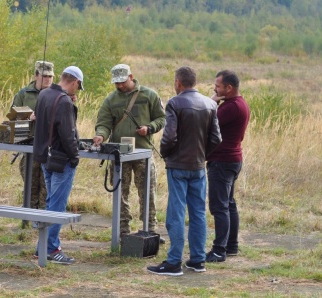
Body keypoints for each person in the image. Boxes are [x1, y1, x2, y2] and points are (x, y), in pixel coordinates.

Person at [147, 66, 221, 276]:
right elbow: (216, 138)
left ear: (178, 82)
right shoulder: (209, 103)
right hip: (198, 166)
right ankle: (197, 260)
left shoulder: (175, 103)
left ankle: (173, 263)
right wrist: (202, 155)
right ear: (194, 82)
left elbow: (169, 137)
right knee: (198, 213)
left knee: (176, 214)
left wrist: (166, 153)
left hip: (178, 166)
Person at [93, 64, 166, 243]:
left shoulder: (149, 95)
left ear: (131, 77)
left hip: (143, 153)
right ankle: (123, 231)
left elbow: (162, 118)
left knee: (147, 192)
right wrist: (101, 135)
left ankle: (149, 230)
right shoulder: (111, 100)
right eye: (116, 83)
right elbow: (103, 122)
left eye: (122, 82)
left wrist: (149, 128)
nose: (119, 86)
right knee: (120, 192)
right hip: (120, 154)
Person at [33, 65, 84, 265]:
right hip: (61, 159)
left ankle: (42, 247)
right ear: (75, 82)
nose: (77, 91)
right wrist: (75, 157)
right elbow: (67, 134)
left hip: (45, 156)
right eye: (78, 87)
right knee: (57, 205)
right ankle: (51, 248)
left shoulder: (44, 94)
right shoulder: (63, 102)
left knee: (50, 202)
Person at [205, 70, 250, 262]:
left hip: (222, 162)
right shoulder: (238, 104)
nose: (215, 88)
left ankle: (219, 250)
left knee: (219, 207)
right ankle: (231, 246)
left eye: (218, 86)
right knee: (229, 204)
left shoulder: (231, 107)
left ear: (229, 88)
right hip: (232, 159)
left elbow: (205, 119)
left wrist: (212, 101)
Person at [11, 60, 54, 210]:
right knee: (30, 186)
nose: (48, 79)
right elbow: (13, 117)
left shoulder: (57, 94)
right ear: (36, 75)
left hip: (50, 147)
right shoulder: (24, 94)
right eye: (44, 76)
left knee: (47, 187)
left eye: (50, 76)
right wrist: (28, 117)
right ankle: (27, 221)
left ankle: (42, 222)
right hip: (29, 147)